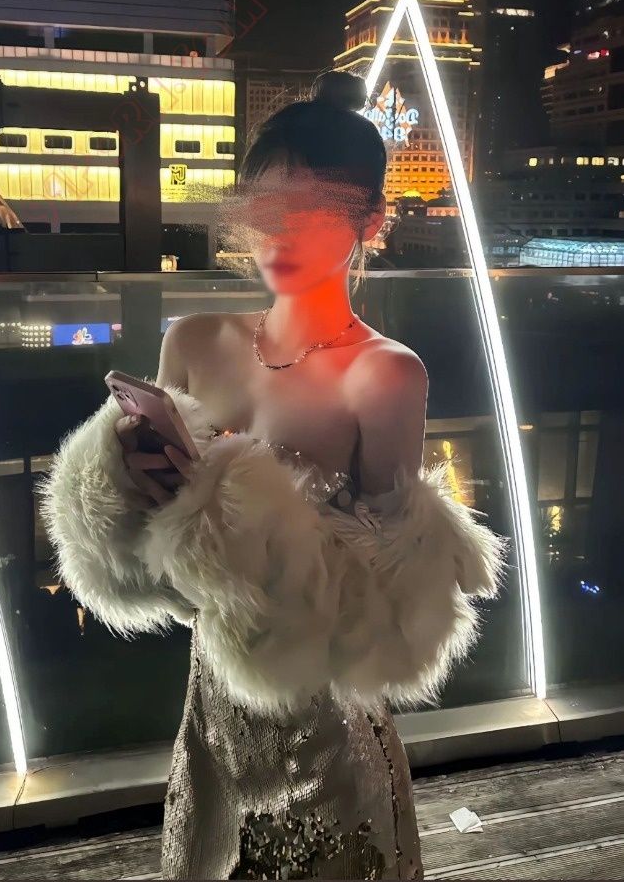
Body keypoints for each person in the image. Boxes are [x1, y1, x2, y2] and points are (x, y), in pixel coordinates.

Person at [39, 70, 508, 880]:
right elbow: (148, 553)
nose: (280, 234)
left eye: (314, 211)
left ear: (370, 221)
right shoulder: (193, 339)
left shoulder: (385, 374)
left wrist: (234, 524)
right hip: (213, 713)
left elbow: (387, 602)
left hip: (328, 731)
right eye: (266, 208)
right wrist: (124, 487)